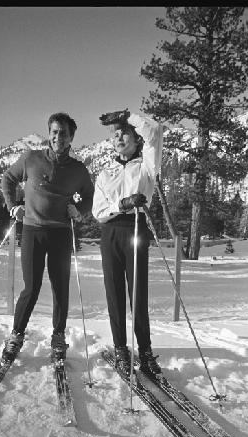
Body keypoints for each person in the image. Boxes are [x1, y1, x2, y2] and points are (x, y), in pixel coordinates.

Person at [1, 112, 94, 360]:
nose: (58, 137)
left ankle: (58, 336)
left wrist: (80, 210)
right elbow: (8, 178)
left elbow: (90, 197)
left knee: (60, 287)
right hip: (32, 230)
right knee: (31, 287)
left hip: (61, 234)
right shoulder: (31, 159)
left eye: (63, 133)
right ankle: (16, 335)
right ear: (49, 134)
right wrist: (13, 206)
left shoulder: (78, 170)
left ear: (71, 137)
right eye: (54, 132)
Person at [92, 108, 163, 376]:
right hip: (110, 233)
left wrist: (127, 115)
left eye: (125, 133)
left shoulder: (145, 166)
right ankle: (121, 349)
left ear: (136, 139)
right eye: (116, 134)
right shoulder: (104, 172)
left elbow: (154, 131)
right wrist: (121, 203)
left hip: (136, 229)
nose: (119, 137)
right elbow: (98, 211)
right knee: (114, 294)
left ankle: (145, 352)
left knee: (138, 295)